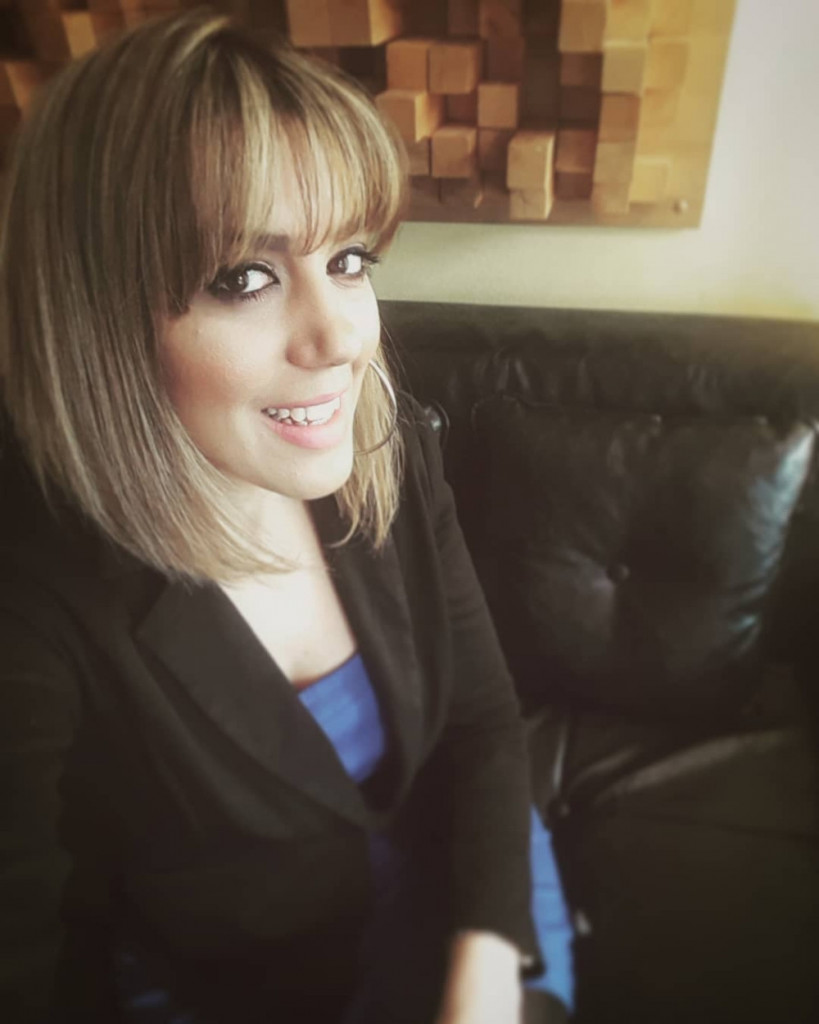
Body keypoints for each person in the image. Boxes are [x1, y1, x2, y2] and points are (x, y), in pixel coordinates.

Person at [0, 10, 573, 1023]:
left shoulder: (389, 448)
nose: (341, 336)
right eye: (246, 277)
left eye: (349, 258)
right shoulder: (35, 602)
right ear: (97, 323)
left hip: (470, 895)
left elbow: (481, 722)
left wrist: (488, 963)